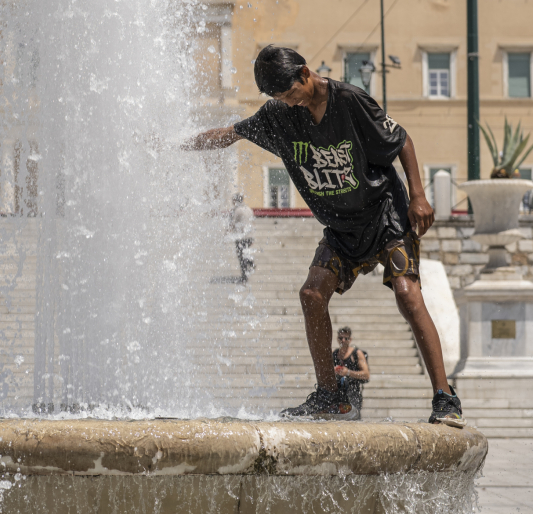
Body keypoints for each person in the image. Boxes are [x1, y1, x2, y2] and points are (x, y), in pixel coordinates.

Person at [181, 45, 465, 427]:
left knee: (407, 295)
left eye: (291, 93)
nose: (289, 103)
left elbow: (402, 141)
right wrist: (175, 145)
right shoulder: (279, 116)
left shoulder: (349, 100)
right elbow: (232, 133)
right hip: (341, 229)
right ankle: (330, 396)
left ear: (305, 73)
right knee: (311, 294)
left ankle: (445, 399)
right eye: (280, 98)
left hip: (385, 215)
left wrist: (418, 195)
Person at [332, 326, 369, 417]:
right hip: (338, 394)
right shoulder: (334, 353)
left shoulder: (357, 353)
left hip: (353, 393)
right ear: (337, 339)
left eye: (346, 338)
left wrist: (348, 372)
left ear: (350, 339)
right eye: (341, 338)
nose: (343, 340)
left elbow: (366, 374)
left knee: (353, 419)